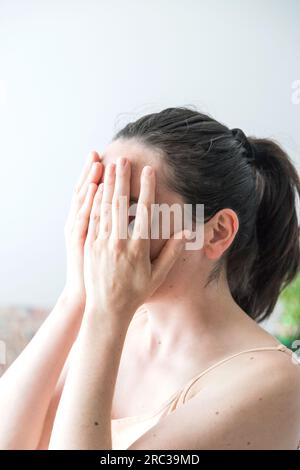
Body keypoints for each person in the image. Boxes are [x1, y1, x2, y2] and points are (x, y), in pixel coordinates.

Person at [0, 107, 300, 450]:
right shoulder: (102, 319)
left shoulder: (274, 381)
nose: (103, 232)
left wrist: (106, 316)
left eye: (130, 210)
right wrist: (76, 295)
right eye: (98, 203)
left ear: (216, 233)